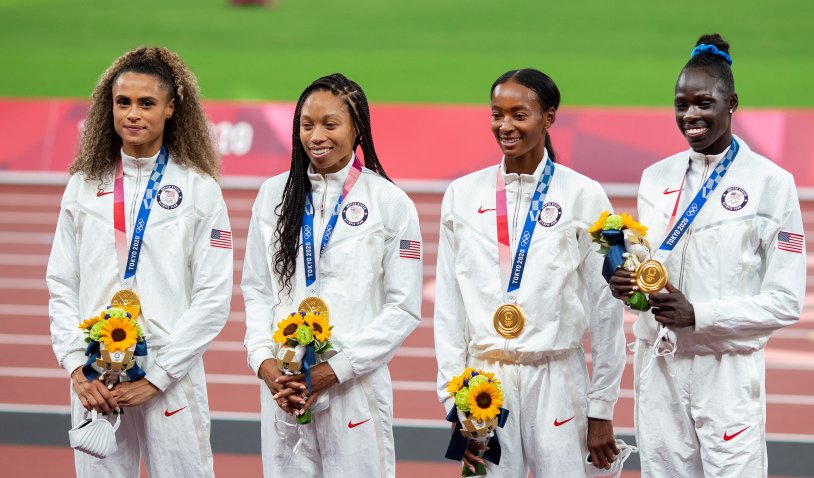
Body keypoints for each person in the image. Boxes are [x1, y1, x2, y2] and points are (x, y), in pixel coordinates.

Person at [610, 33, 806, 477]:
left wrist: (698, 313)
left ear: (732, 103)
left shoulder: (771, 183)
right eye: (681, 104)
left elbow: (786, 300)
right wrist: (625, 284)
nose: (690, 116)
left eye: (704, 103)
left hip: (726, 372)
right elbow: (649, 263)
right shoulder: (654, 178)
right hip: (659, 365)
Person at [46, 47, 233, 476]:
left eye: (146, 103)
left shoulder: (199, 190)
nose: (132, 113)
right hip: (95, 377)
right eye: (122, 102)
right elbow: (61, 281)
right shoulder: (82, 184)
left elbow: (213, 298)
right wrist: (76, 367)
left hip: (169, 376)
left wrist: (157, 378)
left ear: (171, 108)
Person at [433, 68, 627, 477]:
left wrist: (601, 407)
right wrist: (454, 398)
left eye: (519, 115)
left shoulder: (582, 194)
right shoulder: (462, 195)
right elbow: (449, 307)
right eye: (496, 114)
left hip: (557, 377)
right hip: (485, 381)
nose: (505, 126)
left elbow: (607, 309)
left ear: (549, 118)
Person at [241, 73, 422, 477]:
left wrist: (334, 370)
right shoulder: (273, 195)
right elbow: (256, 289)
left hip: (353, 388)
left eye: (330, 124)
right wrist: (264, 363)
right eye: (307, 125)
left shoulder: (389, 203)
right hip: (284, 387)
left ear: (357, 129)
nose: (316, 136)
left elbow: (403, 308)